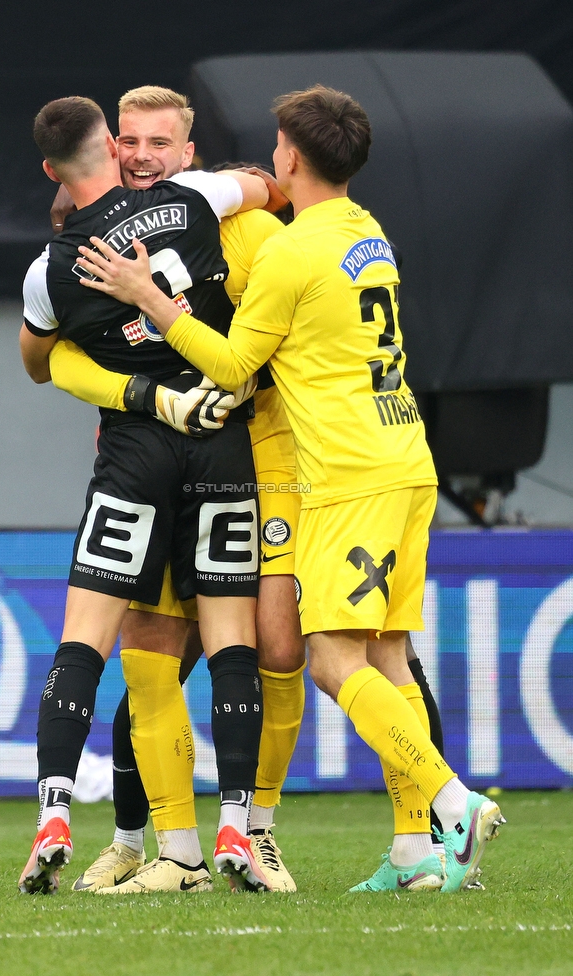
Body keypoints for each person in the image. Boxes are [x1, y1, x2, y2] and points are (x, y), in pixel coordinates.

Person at [75, 85, 506, 893]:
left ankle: (450, 802)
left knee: (327, 659)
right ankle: (415, 849)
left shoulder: (281, 248)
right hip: (406, 454)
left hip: (341, 471)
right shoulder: (366, 233)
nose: (139, 157)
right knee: (387, 656)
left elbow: (235, 365)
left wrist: (150, 300)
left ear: (290, 158)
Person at [44, 87, 306, 895]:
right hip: (171, 456)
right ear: (111, 147)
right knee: (151, 658)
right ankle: (162, 845)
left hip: (256, 453)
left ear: (189, 154)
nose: (142, 152)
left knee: (276, 646)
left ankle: (253, 833)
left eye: (160, 141)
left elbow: (38, 354)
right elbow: (45, 354)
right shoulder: (156, 211)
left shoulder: (245, 224)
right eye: (128, 139)